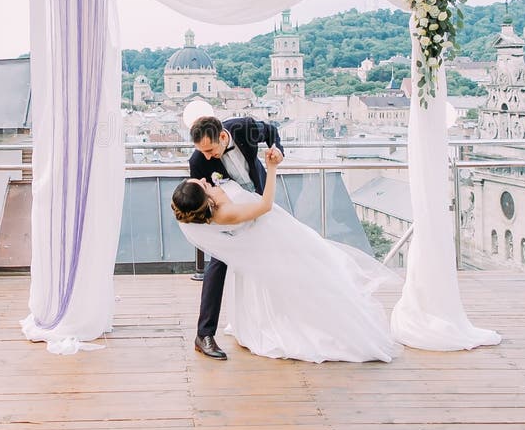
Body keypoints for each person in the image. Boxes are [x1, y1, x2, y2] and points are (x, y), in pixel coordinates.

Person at [172, 152, 401, 364]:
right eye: (200, 184)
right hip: (274, 236)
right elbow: (264, 206)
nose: (203, 180)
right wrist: (272, 168)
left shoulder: (211, 205)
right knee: (313, 273)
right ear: (204, 200)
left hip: (273, 233)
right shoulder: (224, 212)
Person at [188, 115, 284, 360]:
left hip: (261, 196)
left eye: (209, 149)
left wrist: (277, 151)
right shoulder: (198, 160)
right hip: (232, 211)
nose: (207, 157)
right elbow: (207, 199)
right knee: (218, 263)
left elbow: (271, 131)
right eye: (202, 151)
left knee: (276, 255)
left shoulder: (245, 128)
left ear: (222, 136)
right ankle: (204, 334)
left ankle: (272, 321)